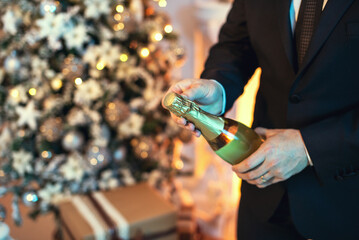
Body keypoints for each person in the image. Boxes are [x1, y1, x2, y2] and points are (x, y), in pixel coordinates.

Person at [163, 0, 359, 239]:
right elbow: (236, 45)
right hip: (264, 198)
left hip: (346, 203)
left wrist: (309, 146)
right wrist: (218, 88)